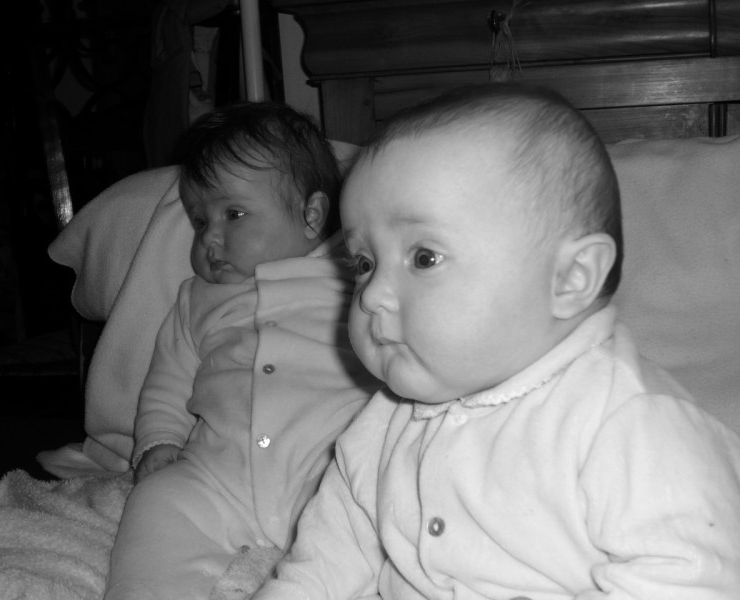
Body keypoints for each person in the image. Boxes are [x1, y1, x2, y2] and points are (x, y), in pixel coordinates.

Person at [252, 84, 740, 600]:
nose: (371, 295)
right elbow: (327, 558)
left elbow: (695, 577)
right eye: (364, 263)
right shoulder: (386, 423)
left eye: (424, 258)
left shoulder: (628, 422)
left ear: (570, 278)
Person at [104, 101, 380, 600]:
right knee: (158, 502)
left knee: (375, 515)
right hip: (217, 472)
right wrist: (158, 441)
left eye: (233, 214)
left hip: (325, 464)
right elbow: (168, 379)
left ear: (312, 215)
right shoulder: (196, 299)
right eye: (198, 221)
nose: (210, 237)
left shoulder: (351, 277)